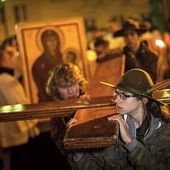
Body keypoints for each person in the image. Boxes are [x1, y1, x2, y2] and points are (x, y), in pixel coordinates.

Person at [68, 68, 170, 169]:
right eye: (116, 93)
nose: (116, 100)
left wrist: (131, 143)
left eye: (124, 95)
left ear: (144, 100)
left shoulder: (165, 132)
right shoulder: (112, 127)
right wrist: (78, 150)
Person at [0, 47, 39, 170]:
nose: (12, 59)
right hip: (15, 132)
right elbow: (19, 104)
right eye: (9, 57)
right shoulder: (6, 81)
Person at [46, 62, 89, 169]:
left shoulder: (89, 98)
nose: (70, 91)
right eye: (64, 87)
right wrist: (69, 134)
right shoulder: (56, 118)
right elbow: (64, 151)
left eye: (73, 84)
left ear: (79, 84)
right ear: (56, 89)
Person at [32, 29, 63, 102]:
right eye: (49, 40)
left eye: (54, 40)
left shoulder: (65, 58)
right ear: (44, 43)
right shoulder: (38, 63)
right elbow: (41, 86)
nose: (52, 43)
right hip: (47, 100)